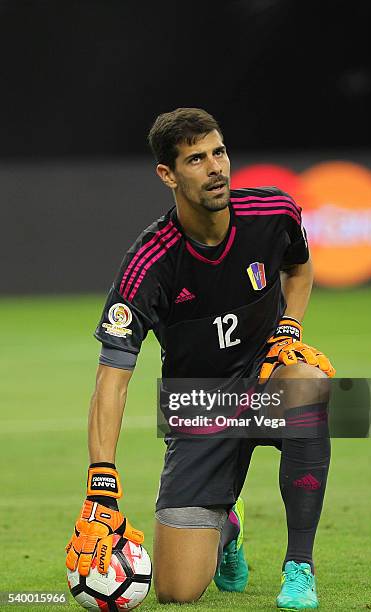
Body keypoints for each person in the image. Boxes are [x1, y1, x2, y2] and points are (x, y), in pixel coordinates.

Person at [66, 108, 335, 610]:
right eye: (196, 159)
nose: (215, 168)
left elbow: (298, 267)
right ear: (167, 175)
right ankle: (226, 526)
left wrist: (289, 327)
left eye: (219, 152)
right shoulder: (150, 262)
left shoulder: (273, 213)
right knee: (177, 591)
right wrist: (101, 479)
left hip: (265, 382)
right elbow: (112, 378)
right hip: (200, 408)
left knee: (308, 384)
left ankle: (300, 565)